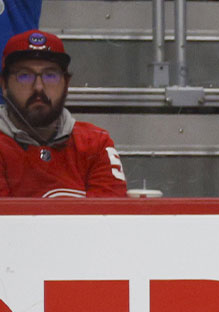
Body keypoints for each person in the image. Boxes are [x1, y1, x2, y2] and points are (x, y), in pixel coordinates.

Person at [0, 30, 127, 197]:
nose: (38, 87)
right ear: (4, 85)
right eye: (24, 76)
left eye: (50, 75)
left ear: (66, 84)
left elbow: (107, 219)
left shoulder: (96, 143)